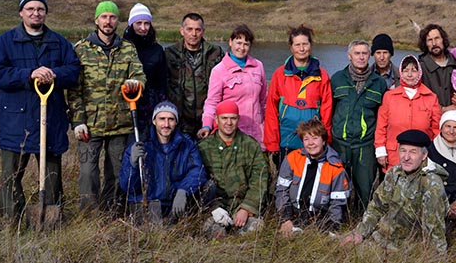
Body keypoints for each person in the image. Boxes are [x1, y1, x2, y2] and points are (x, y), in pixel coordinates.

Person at [0, 0, 80, 220]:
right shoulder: (5, 42)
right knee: (11, 175)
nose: (35, 13)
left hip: (52, 120)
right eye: (30, 9)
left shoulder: (59, 43)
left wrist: (53, 74)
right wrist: (29, 75)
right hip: (16, 121)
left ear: (45, 12)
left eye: (40, 9)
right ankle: (11, 219)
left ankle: (51, 218)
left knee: (52, 175)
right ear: (21, 12)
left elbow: (74, 71)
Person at [68, 0, 146, 212]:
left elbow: (139, 75)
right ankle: (89, 213)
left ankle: (110, 210)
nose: (108, 21)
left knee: (116, 171)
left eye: (112, 17)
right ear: (96, 20)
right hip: (90, 126)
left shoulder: (128, 49)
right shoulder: (81, 49)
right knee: (88, 172)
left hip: (120, 124)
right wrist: (77, 121)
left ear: (117, 21)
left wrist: (136, 83)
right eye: (104, 17)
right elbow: (75, 90)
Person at [341, 129, 449, 253]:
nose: (406, 157)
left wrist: (435, 258)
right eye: (403, 151)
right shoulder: (394, 173)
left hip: (410, 249)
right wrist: (360, 233)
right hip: (382, 239)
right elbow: (377, 206)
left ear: (424, 155)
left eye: (413, 152)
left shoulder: (432, 184)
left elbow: (434, 229)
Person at [119, 101, 207, 225]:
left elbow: (198, 171)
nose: (166, 124)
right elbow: (126, 186)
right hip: (148, 202)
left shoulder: (186, 145)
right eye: (162, 119)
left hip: (174, 203)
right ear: (154, 121)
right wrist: (132, 164)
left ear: (176, 122)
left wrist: (184, 190)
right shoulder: (139, 145)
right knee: (158, 236)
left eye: (171, 119)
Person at [264, 24, 333, 169]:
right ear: (291, 47)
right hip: (286, 139)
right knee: (286, 181)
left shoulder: (322, 75)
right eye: (297, 45)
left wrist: (326, 139)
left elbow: (326, 110)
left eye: (305, 44)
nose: (301, 49)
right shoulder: (279, 74)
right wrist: (272, 142)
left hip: (312, 141)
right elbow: (271, 110)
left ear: (310, 45)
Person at [198, 100, 268, 237]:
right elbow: (200, 183)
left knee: (254, 231)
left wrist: (246, 208)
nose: (229, 123)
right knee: (216, 234)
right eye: (224, 118)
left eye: (233, 118)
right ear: (216, 119)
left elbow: (260, 179)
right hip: (216, 207)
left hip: (242, 204)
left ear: (238, 119)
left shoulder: (250, 145)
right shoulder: (204, 147)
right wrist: (214, 208)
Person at [331, 39, 386, 213]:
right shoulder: (337, 79)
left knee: (365, 188)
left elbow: (382, 116)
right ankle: (337, 220)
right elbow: (329, 110)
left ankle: (362, 222)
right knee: (337, 186)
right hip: (340, 143)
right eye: (357, 53)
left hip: (365, 145)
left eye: (364, 53)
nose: (361, 57)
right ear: (349, 56)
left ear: (369, 56)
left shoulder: (379, 83)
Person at [275, 118, 350, 237]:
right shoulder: (292, 158)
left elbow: (338, 203)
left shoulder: (336, 168)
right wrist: (285, 219)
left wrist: (332, 227)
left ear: (324, 140)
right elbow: (281, 191)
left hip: (322, 221)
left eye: (315, 138)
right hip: (293, 217)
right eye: (306, 139)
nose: (310, 143)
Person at [197, 24, 266, 150]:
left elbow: (263, 101)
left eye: (246, 44)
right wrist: (207, 125)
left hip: (256, 132)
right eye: (238, 42)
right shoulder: (219, 70)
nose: (242, 47)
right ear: (230, 42)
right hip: (232, 132)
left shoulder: (258, 66)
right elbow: (212, 102)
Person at [374, 55, 441, 172]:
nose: (409, 75)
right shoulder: (389, 96)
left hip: (421, 156)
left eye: (414, 71)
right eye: (406, 71)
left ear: (419, 72)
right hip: (394, 156)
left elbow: (436, 128)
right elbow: (381, 126)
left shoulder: (431, 97)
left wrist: (435, 153)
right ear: (401, 72)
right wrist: (380, 150)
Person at [165, 13, 224, 137]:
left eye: (198, 30)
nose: (194, 34)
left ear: (203, 31)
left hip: (208, 119)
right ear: (182, 31)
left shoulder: (215, 53)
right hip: (180, 120)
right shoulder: (170, 53)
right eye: (189, 29)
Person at [123, 3, 168, 137]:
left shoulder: (157, 50)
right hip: (127, 107)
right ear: (131, 25)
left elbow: (162, 84)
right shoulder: (122, 48)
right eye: (139, 23)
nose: (143, 28)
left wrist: (162, 110)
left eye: (146, 23)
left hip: (151, 107)